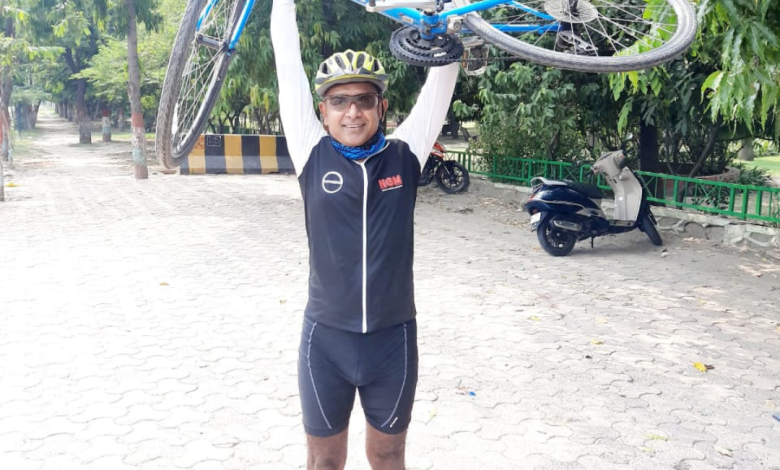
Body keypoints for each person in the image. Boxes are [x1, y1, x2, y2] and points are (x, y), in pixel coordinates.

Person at [270, 0, 459, 468]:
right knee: (324, 462)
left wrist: (450, 24)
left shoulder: (404, 154)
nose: (352, 112)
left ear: (381, 107)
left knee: (389, 456)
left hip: (392, 342)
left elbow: (440, 85)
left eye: (364, 100)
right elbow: (287, 64)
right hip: (325, 343)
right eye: (339, 101)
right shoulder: (312, 152)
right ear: (323, 111)